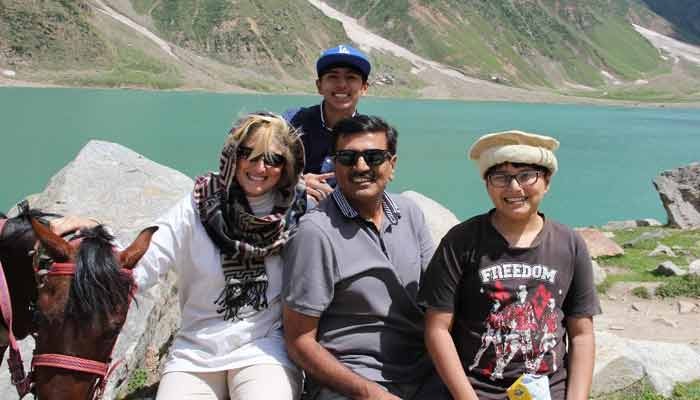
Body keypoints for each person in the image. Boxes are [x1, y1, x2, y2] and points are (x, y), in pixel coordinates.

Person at [52, 112, 307, 400]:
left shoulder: (295, 210)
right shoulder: (197, 205)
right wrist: (94, 240)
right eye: (247, 154)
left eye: (272, 159)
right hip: (196, 349)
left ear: (287, 165)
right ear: (232, 155)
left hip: (263, 345)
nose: (259, 167)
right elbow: (145, 262)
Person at [419, 130, 601, 400]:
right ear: (487, 184)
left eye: (527, 175)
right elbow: (437, 328)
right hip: (475, 390)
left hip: (548, 391)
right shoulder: (461, 241)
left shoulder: (569, 243)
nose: (514, 187)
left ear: (547, 182)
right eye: (501, 177)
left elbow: (581, 334)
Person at [282, 115, 441, 400]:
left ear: (392, 164)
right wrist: (370, 394)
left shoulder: (410, 214)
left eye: (374, 157)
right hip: (352, 380)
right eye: (348, 157)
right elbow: (299, 341)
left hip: (422, 372)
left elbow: (438, 297)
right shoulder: (316, 232)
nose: (361, 167)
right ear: (335, 164)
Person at [284, 44, 371, 203]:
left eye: (351, 77)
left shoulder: (371, 136)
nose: (342, 84)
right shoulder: (291, 123)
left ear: (364, 88)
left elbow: (373, 186)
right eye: (333, 76)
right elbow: (261, 166)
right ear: (319, 86)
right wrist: (297, 183)